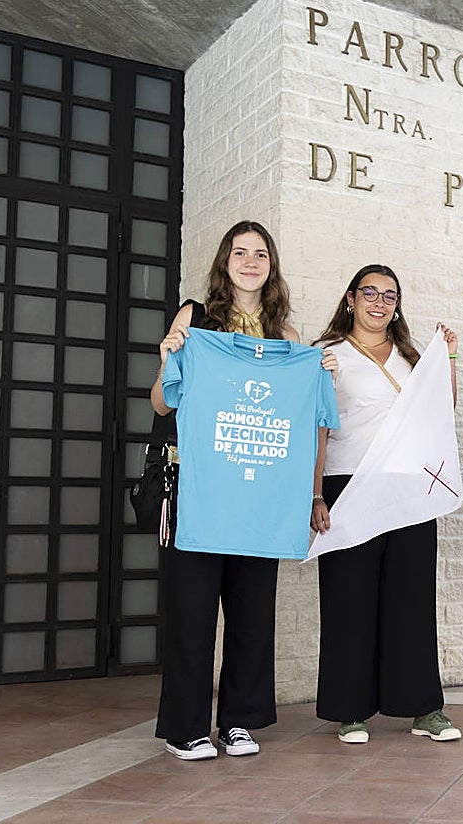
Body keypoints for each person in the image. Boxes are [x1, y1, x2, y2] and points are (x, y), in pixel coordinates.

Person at [152, 219, 324, 760]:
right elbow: (161, 403)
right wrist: (168, 359)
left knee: (253, 611)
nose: (250, 261)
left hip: (260, 495)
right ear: (224, 261)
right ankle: (186, 727)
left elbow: (302, 422)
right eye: (239, 252)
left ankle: (238, 721)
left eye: (261, 254)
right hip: (202, 490)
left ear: (272, 266)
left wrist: (321, 372)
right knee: (192, 612)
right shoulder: (195, 319)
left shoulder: (287, 337)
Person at [309, 264, 460, 744]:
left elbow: (441, 411)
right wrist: (315, 494)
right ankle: (350, 710)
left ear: (398, 305)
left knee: (411, 601)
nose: (379, 302)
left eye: (389, 295)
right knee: (348, 599)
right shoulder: (325, 356)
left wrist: (448, 358)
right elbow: (317, 429)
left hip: (408, 489)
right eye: (369, 293)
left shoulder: (411, 357)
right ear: (350, 299)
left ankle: (423, 708)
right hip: (347, 485)